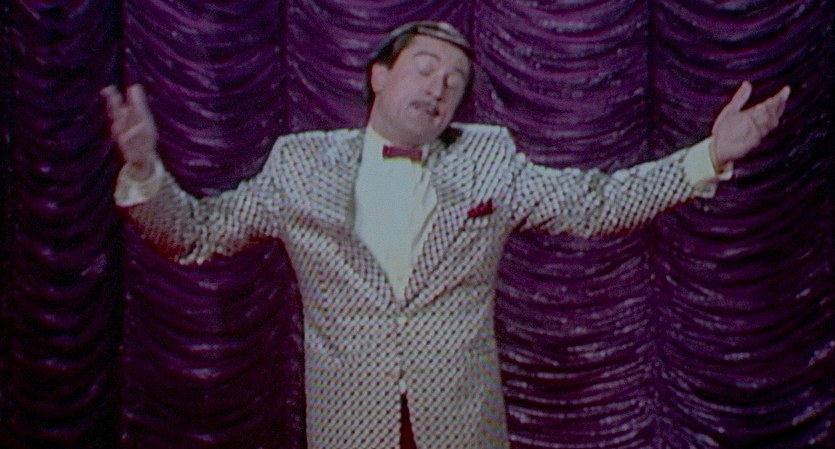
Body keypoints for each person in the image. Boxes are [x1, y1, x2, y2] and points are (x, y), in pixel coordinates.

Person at [102, 21, 789, 449]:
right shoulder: (299, 164)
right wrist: (143, 168)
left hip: (461, 427)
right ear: (379, 76)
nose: (439, 87)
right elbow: (196, 235)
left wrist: (709, 154)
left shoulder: (488, 157)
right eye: (425, 68)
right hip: (349, 428)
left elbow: (593, 205)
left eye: (454, 82)